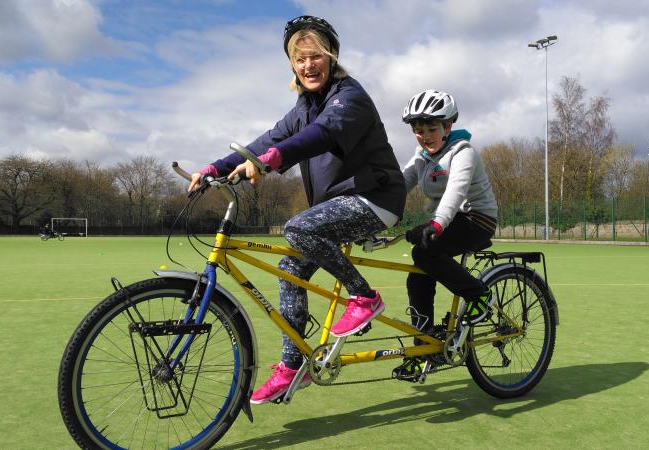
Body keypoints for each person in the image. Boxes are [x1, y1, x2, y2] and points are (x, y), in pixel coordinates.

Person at [187, 15, 406, 403]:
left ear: (331, 56)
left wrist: (272, 159)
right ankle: (292, 368)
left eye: (315, 56)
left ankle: (364, 297)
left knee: (298, 229)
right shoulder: (303, 106)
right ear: (291, 64)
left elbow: (320, 135)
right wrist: (213, 168)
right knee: (290, 266)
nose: (308, 66)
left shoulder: (349, 96)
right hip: (338, 203)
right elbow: (266, 140)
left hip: (377, 199)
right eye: (299, 59)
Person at [395, 89, 499, 381]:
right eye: (418, 131)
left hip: (476, 220)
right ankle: (424, 349)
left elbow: (456, 191)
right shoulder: (422, 155)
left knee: (425, 253)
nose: (425, 136)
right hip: (447, 221)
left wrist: (437, 224)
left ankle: (480, 295)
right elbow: (402, 183)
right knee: (418, 273)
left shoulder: (462, 151)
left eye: (431, 129)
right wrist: (374, 210)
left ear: (447, 126)